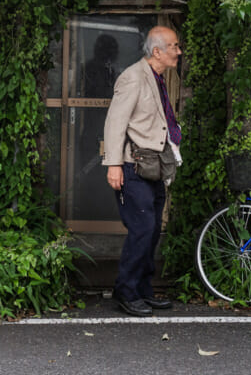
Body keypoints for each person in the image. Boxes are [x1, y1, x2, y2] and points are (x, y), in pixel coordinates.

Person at [101, 25, 183, 316]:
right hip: (131, 167)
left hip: (152, 167)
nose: (179, 51)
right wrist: (113, 165)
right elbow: (115, 122)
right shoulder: (134, 78)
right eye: (174, 46)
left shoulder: (156, 79)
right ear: (157, 51)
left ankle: (143, 291)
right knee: (143, 228)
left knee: (150, 231)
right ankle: (125, 291)